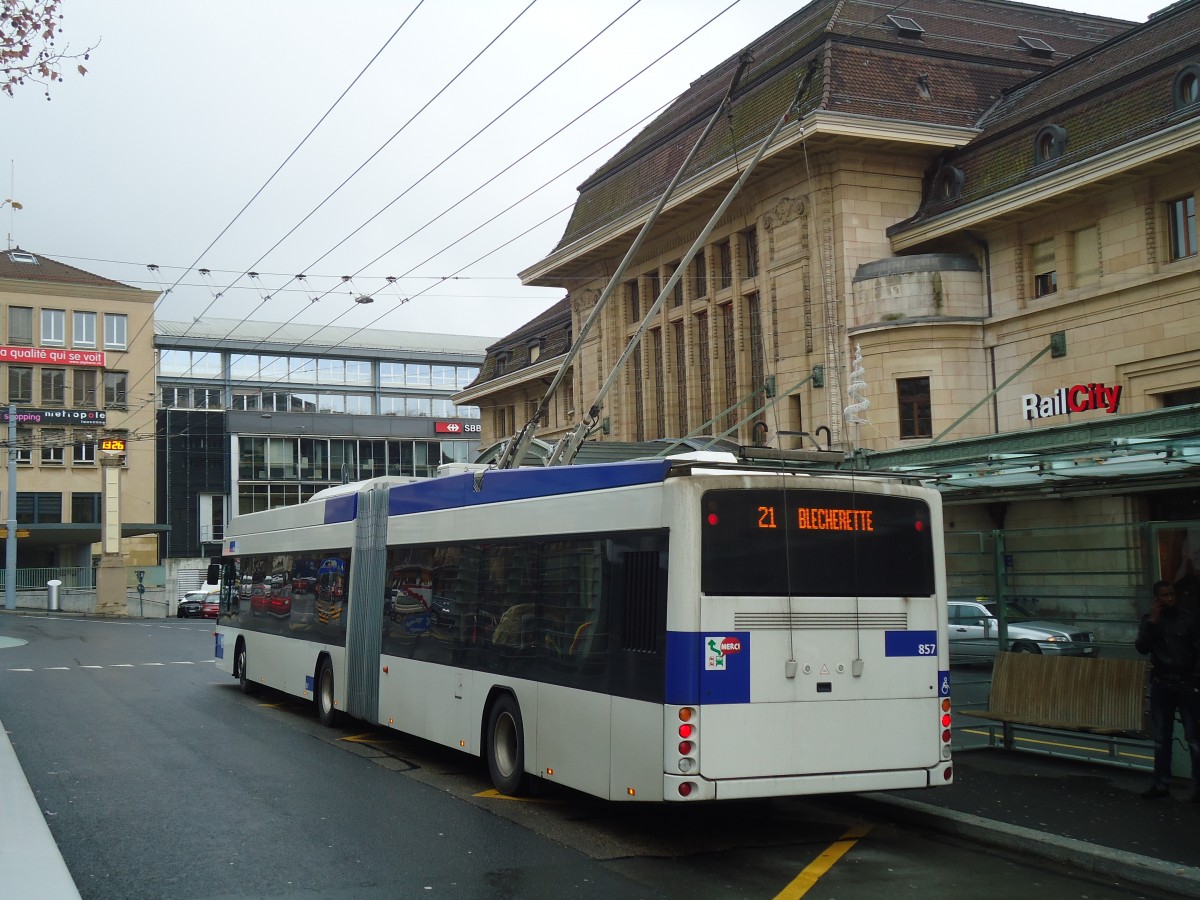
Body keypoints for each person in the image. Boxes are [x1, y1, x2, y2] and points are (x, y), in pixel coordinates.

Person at [1134, 580, 1200, 801]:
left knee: (1194, 737)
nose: (1170, 598)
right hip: (1162, 684)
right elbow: (1142, 647)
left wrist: (1195, 680)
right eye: (1165, 595)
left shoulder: (1188, 619)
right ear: (1157, 598)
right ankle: (1161, 783)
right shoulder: (1150, 620)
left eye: (1172, 594)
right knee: (1162, 737)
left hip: (1186, 684)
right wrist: (1152, 622)